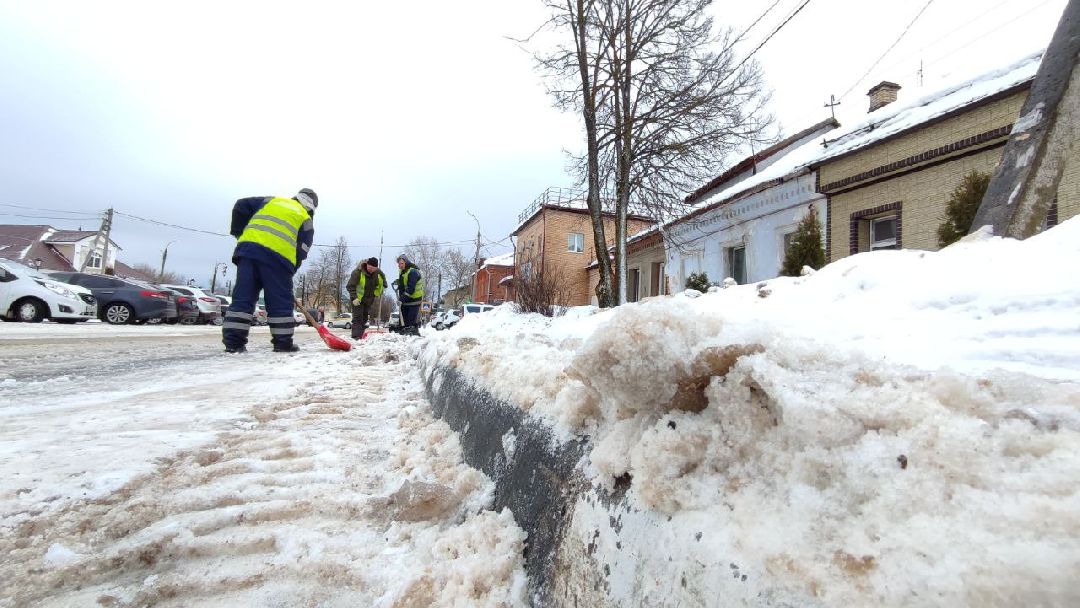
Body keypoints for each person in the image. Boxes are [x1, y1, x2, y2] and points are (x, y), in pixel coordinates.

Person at [221, 188, 317, 354]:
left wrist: (239, 233)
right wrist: (290, 270)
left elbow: (240, 205)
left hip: (248, 252)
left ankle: (233, 344)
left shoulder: (271, 201)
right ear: (311, 207)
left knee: (243, 297)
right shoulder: (306, 219)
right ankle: (282, 343)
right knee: (280, 301)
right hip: (278, 260)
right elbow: (301, 251)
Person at [346, 257, 387, 340]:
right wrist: (354, 298)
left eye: (373, 268)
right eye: (370, 267)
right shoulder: (358, 272)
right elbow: (350, 286)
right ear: (367, 265)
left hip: (368, 300)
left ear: (376, 268)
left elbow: (383, 280)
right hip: (357, 299)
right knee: (358, 318)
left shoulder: (378, 273)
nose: (371, 270)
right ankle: (356, 337)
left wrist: (383, 286)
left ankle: (360, 335)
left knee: (364, 318)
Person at [394, 254, 424, 335]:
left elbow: (411, 289)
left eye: (401, 263)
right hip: (406, 300)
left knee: (411, 321)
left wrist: (401, 299)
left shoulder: (413, 272)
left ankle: (414, 335)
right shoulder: (403, 271)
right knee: (403, 320)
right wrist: (399, 282)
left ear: (406, 262)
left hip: (414, 300)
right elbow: (404, 283)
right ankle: (404, 333)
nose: (399, 266)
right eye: (399, 264)